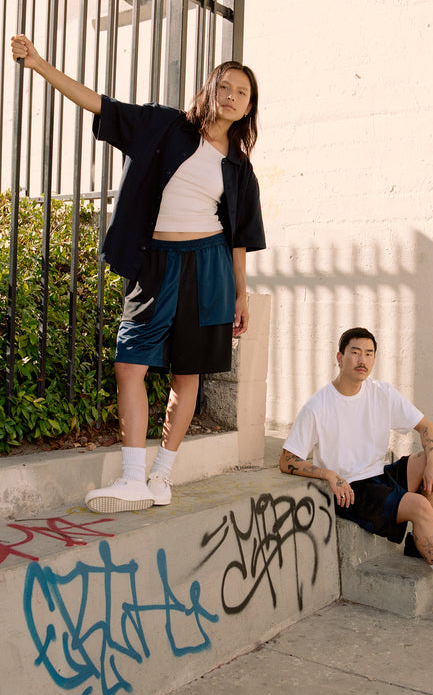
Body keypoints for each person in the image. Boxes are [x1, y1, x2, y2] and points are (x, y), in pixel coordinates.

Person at [9, 34, 265, 513]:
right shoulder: (164, 125)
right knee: (130, 364)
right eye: (225, 86)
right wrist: (39, 64)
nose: (231, 96)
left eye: (242, 93)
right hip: (154, 263)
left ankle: (160, 478)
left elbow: (239, 236)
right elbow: (100, 104)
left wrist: (241, 294)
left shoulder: (238, 167)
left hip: (208, 268)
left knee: (186, 374)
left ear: (249, 107)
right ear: (210, 89)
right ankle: (131, 478)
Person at [279, 327, 433, 628]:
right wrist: (328, 474)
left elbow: (426, 427)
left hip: (381, 474)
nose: (362, 360)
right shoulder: (318, 406)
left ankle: (419, 540)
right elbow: (287, 459)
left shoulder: (380, 393)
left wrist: (432, 463)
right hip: (355, 490)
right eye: (355, 352)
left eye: (369, 354)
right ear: (340, 357)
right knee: (420, 507)